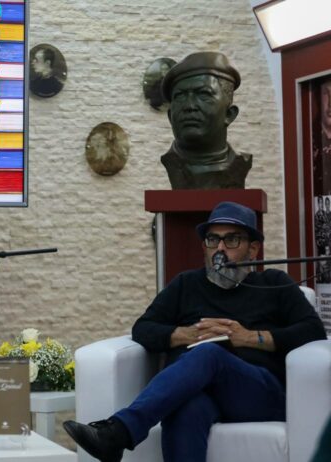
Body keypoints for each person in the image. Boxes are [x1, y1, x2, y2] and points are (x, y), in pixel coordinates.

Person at [63, 201, 326, 462]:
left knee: (208, 354)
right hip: (200, 393)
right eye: (213, 240)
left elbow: (313, 331)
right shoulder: (186, 284)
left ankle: (119, 432)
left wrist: (250, 337)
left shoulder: (273, 283)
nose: (220, 249)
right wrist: (185, 334)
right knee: (184, 407)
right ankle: (117, 435)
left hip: (257, 393)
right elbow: (143, 329)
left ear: (253, 249)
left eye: (232, 240)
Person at [160, 52, 252, 189]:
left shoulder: (239, 164)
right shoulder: (172, 163)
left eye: (203, 94)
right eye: (180, 96)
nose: (189, 106)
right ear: (170, 117)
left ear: (229, 114)